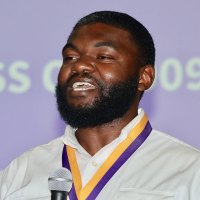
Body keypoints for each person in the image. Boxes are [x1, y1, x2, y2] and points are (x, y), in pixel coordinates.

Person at [0, 11, 200, 200]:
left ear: (144, 77)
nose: (79, 65)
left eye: (103, 56)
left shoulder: (189, 170)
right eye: (71, 57)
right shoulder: (22, 171)